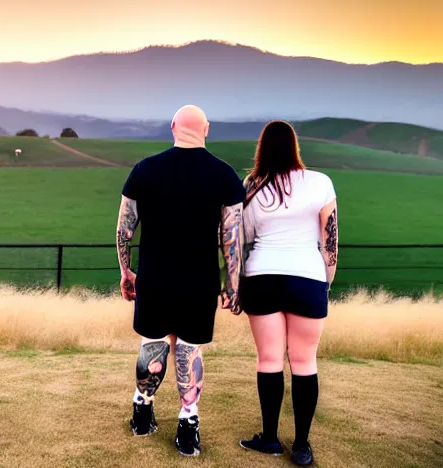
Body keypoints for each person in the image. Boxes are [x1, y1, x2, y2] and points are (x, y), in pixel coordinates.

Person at [116, 104, 245, 457]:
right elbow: (233, 239)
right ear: (206, 129)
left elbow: (124, 230)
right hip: (199, 280)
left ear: (173, 127)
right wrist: (233, 285)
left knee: (152, 341)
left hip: (155, 277)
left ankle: (142, 412)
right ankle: (188, 425)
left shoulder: (145, 169)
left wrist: (127, 272)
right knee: (189, 348)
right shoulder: (224, 175)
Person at [238, 120, 338, 466]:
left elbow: (243, 238)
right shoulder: (321, 183)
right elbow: (330, 241)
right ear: (295, 146)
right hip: (307, 279)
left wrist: (234, 286)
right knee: (304, 361)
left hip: (261, 276)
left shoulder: (251, 185)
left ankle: (269, 439)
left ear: (261, 148)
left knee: (269, 359)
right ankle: (302, 445)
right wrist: (324, 283)